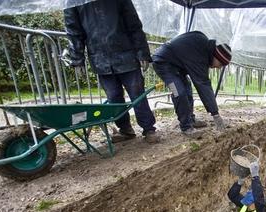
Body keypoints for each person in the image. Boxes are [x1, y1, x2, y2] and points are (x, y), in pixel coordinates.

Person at [64, 0, 160, 144]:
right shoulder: (74, 2)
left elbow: (133, 24)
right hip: (100, 59)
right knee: (114, 97)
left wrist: (142, 52)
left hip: (126, 54)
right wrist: (77, 59)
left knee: (137, 93)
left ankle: (148, 129)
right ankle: (125, 129)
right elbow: (74, 31)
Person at [152, 31, 231, 138]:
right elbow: (203, 84)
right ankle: (186, 127)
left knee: (187, 91)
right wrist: (215, 114)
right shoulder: (200, 52)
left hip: (178, 68)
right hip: (163, 64)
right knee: (178, 93)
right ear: (216, 56)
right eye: (221, 64)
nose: (219, 67)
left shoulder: (202, 46)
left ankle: (191, 119)